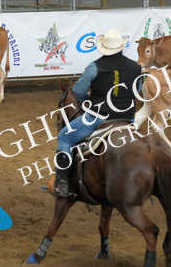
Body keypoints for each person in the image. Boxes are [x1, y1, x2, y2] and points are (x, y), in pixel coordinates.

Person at [54, 29, 142, 198]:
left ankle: (62, 183)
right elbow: (137, 91)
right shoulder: (136, 67)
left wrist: (90, 99)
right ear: (121, 47)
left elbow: (78, 92)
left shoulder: (95, 67)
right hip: (127, 119)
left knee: (64, 137)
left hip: (98, 118)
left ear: (104, 47)